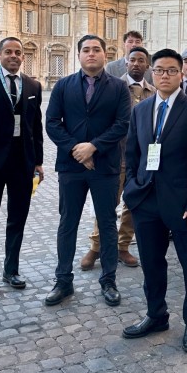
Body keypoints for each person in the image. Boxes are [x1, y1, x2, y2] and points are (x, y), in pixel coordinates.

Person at [122, 48, 187, 352]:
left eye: (171, 70)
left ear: (181, 74)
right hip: (146, 200)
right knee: (151, 262)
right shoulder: (141, 109)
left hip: (183, 204)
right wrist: (132, 188)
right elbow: (133, 152)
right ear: (152, 72)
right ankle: (156, 314)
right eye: (159, 70)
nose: (164, 75)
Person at [44, 35, 131, 308]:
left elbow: (122, 124)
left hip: (105, 166)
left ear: (105, 55)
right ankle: (63, 280)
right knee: (67, 223)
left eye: (96, 49)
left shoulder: (118, 88)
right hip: (71, 167)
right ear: (79, 55)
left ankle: (108, 280)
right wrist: (77, 150)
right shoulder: (63, 86)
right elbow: (52, 123)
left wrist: (93, 147)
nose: (91, 54)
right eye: (86, 50)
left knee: (106, 223)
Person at [0, 37, 44, 297]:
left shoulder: (32, 85)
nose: (13, 56)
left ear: (23, 57)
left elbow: (35, 126)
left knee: (18, 217)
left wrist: (38, 161)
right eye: (8, 52)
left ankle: (11, 269)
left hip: (21, 162)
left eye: (18, 52)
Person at [80, 46, 155, 270]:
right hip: (115, 156)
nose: (136, 64)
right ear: (125, 62)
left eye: (141, 60)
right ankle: (96, 247)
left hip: (142, 160)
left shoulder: (153, 91)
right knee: (107, 205)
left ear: (147, 65)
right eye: (132, 60)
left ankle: (123, 246)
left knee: (133, 205)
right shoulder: (111, 87)